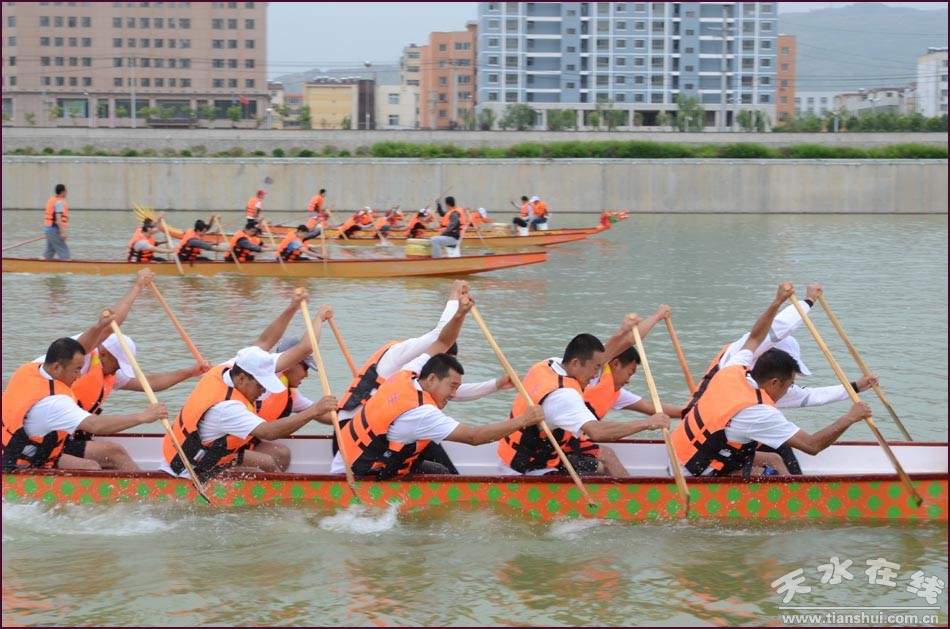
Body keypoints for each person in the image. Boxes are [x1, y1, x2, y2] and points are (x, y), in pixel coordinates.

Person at [332, 294, 544, 479]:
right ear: (432, 379)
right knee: (443, 474)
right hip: (358, 476)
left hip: (349, 459)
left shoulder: (408, 373)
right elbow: (473, 437)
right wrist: (523, 420)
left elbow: (443, 342)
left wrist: (460, 314)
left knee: (439, 470)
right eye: (452, 387)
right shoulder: (422, 413)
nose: (453, 394)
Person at [670, 284, 873, 478]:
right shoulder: (758, 412)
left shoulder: (733, 369)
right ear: (775, 382)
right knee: (770, 473)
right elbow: (812, 445)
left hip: (680, 452)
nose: (789, 390)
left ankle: (795, 491)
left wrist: (777, 302)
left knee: (775, 459)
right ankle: (792, 496)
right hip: (694, 471)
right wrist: (850, 418)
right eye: (789, 385)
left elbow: (756, 336)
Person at [497, 315, 670, 477]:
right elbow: (597, 432)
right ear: (575, 363)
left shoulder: (549, 364)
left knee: (602, 465)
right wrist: (647, 423)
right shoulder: (563, 396)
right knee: (600, 470)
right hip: (529, 470)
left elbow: (613, 349)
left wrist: (622, 331)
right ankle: (631, 496)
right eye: (595, 369)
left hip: (515, 456)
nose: (596, 375)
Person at [160, 345, 337, 482]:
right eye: (260, 386)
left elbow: (266, 342)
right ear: (242, 378)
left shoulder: (223, 371)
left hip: (205, 453)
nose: (263, 392)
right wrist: (314, 411)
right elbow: (269, 432)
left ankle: (277, 492)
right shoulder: (228, 408)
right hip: (190, 469)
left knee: (271, 461)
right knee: (259, 470)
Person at [2, 330, 169, 472]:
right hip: (20, 464)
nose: (79, 376)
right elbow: (95, 425)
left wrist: (102, 323)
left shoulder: (31, 369)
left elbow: (94, 335)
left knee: (92, 465)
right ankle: (146, 494)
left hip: (32, 450)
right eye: (76, 370)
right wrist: (142, 417)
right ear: (57, 367)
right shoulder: (54, 402)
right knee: (96, 465)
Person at [578, 305, 684, 475]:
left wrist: (687, 412)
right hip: (559, 442)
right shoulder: (594, 372)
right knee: (607, 457)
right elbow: (629, 340)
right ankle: (631, 491)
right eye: (630, 372)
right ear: (615, 364)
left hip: (574, 439)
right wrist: (657, 316)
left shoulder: (615, 392)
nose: (628, 380)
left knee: (605, 458)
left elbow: (650, 406)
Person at [244, 335, 324, 471]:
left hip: (245, 443)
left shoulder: (288, 391)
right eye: (305, 368)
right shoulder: (258, 381)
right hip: (222, 448)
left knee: (282, 454)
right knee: (267, 463)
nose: (306, 375)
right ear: (291, 363)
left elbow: (323, 414)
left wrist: (353, 412)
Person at [43, 183, 71, 260]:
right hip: (54, 230)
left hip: (49, 230)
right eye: (66, 191)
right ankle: (67, 265)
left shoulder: (53, 200)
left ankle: (40, 264)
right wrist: (62, 232)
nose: (66, 192)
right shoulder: (59, 203)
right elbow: (58, 220)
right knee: (64, 251)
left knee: (50, 251)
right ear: (62, 192)